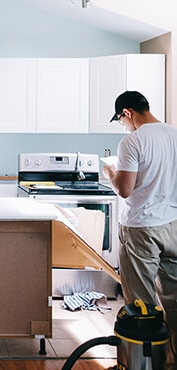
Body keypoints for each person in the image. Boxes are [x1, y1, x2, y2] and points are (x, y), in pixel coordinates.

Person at [103, 91, 177, 366]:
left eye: (122, 120)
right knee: (174, 300)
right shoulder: (174, 135)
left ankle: (142, 365)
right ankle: (170, 361)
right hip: (173, 225)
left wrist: (110, 172)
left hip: (142, 228)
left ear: (128, 113)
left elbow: (124, 189)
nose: (124, 125)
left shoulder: (132, 141)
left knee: (141, 304)